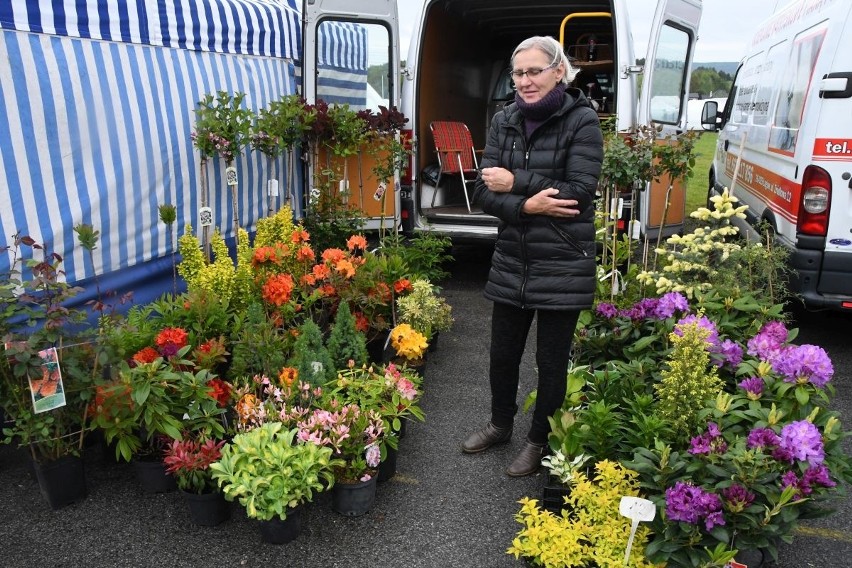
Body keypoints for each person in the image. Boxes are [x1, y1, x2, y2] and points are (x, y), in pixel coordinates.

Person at [461, 36, 603, 477]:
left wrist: (516, 181)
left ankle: (538, 440)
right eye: (518, 73)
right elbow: (484, 191)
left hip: (563, 258)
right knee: (502, 354)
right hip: (513, 258)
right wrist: (529, 204)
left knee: (550, 361)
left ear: (559, 71)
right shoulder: (504, 120)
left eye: (533, 71)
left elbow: (579, 191)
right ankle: (501, 424)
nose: (524, 81)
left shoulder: (582, 121)